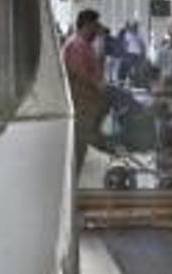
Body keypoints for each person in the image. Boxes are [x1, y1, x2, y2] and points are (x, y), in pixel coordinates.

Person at [62, 9, 105, 175]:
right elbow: (81, 75)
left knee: (80, 151)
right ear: (87, 25)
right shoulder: (76, 45)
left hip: (86, 105)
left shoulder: (85, 45)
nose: (98, 29)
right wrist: (99, 88)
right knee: (76, 151)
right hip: (81, 106)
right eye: (95, 25)